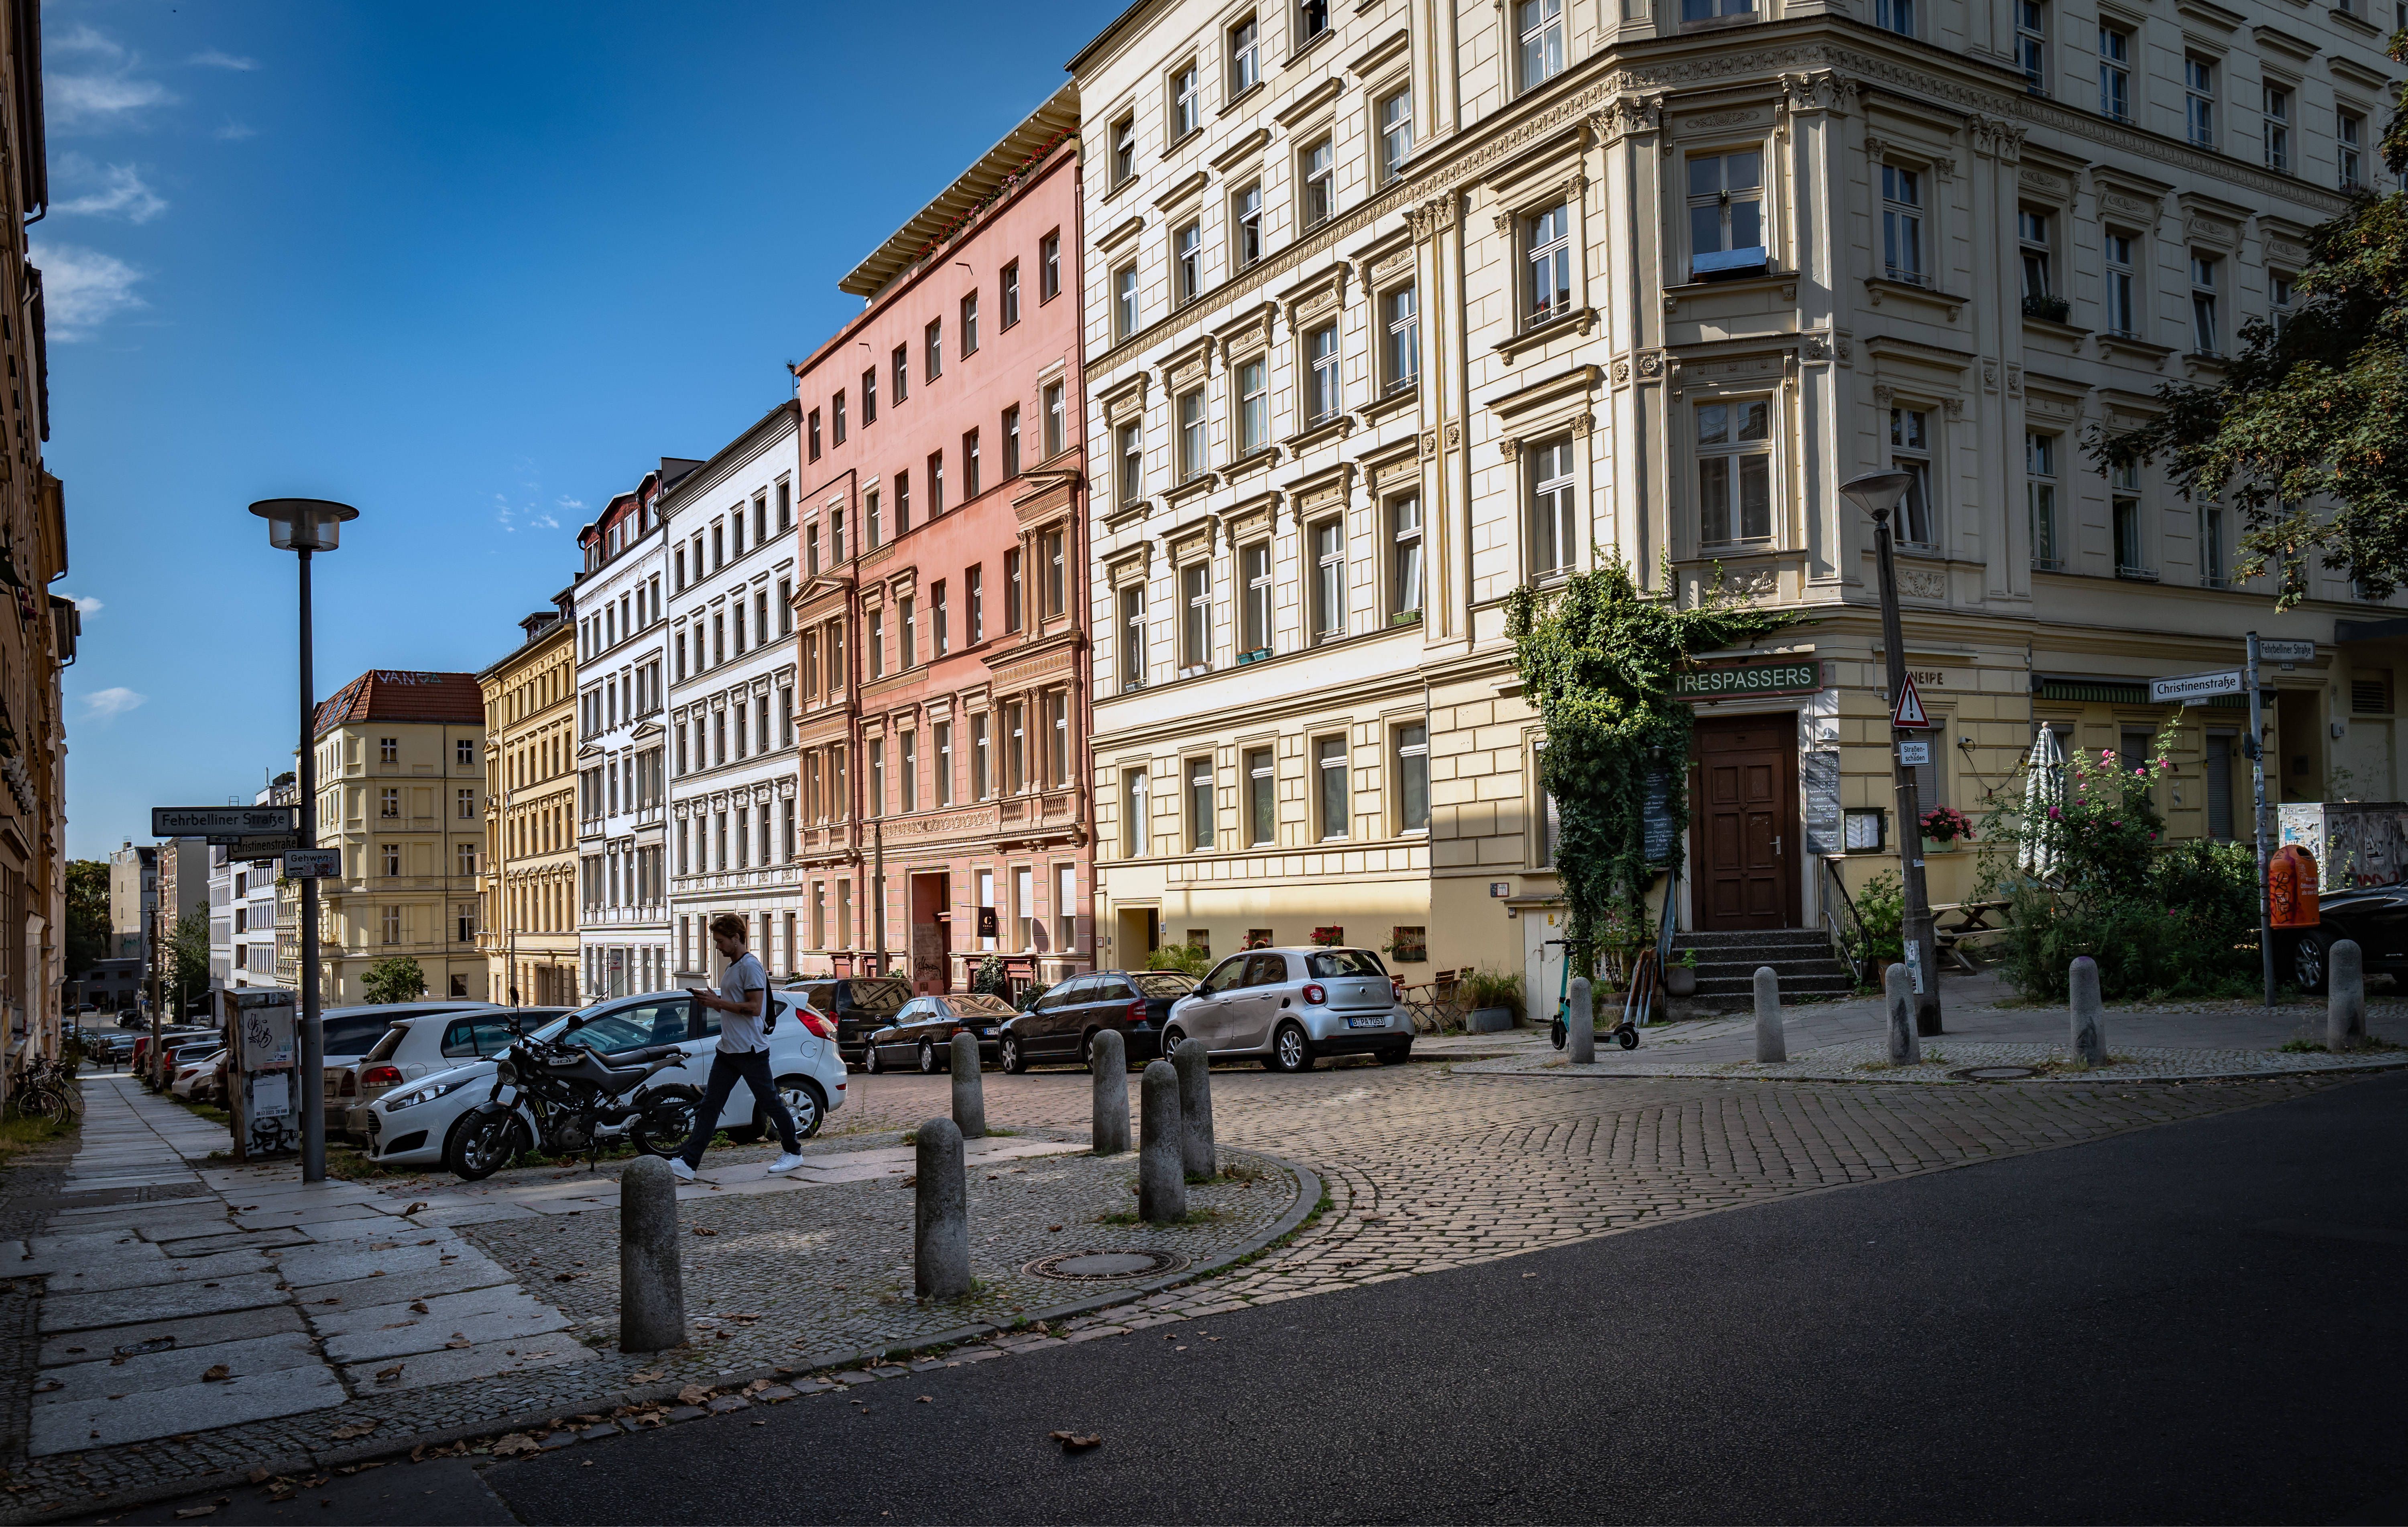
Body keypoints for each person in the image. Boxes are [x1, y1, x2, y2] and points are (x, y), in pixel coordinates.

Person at [671, 913, 805, 1182]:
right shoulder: (733, 967)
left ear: (736, 938)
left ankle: (794, 1152)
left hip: (750, 1050)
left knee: (771, 1103)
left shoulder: (750, 966)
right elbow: (737, 1003)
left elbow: (755, 1009)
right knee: (710, 1105)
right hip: (729, 1049)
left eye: (721, 941)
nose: (718, 946)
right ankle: (689, 1163)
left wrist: (717, 1004)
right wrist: (715, 999)